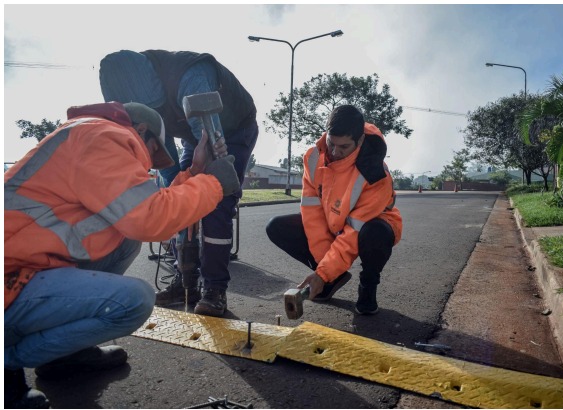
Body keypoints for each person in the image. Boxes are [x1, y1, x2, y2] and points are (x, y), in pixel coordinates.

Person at [4, 101, 239, 408]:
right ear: (141, 130)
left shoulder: (86, 134)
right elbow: (151, 218)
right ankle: (7, 362)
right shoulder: (103, 136)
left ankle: (63, 356)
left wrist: (195, 172)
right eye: (154, 151)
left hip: (25, 264)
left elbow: (150, 212)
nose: (150, 163)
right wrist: (214, 183)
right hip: (11, 277)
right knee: (134, 302)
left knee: (125, 242)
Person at [99, 49, 259, 317]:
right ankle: (184, 280)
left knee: (216, 200)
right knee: (175, 198)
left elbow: (211, 143)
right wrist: (172, 192)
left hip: (230, 130)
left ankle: (214, 288)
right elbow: (166, 165)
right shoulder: (127, 91)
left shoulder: (191, 77)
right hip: (190, 137)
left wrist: (213, 177)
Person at [266, 105, 402, 315]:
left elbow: (353, 232)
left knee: (374, 234)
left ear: (360, 141)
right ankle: (332, 279)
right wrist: (324, 272)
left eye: (344, 147)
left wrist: (322, 274)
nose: (335, 152)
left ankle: (368, 286)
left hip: (372, 225)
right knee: (277, 227)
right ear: (326, 133)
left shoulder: (376, 174)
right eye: (331, 143)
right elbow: (313, 216)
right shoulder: (313, 158)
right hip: (334, 222)